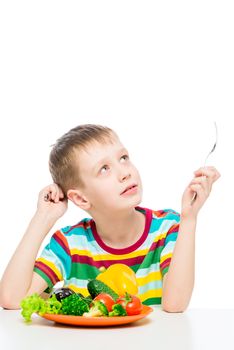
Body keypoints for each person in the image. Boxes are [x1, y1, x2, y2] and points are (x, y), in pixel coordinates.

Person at [0, 124, 221, 312]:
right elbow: (11, 299)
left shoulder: (167, 228)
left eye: (123, 158)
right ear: (81, 199)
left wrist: (189, 218)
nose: (125, 172)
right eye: (104, 169)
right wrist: (43, 217)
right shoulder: (70, 244)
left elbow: (175, 305)